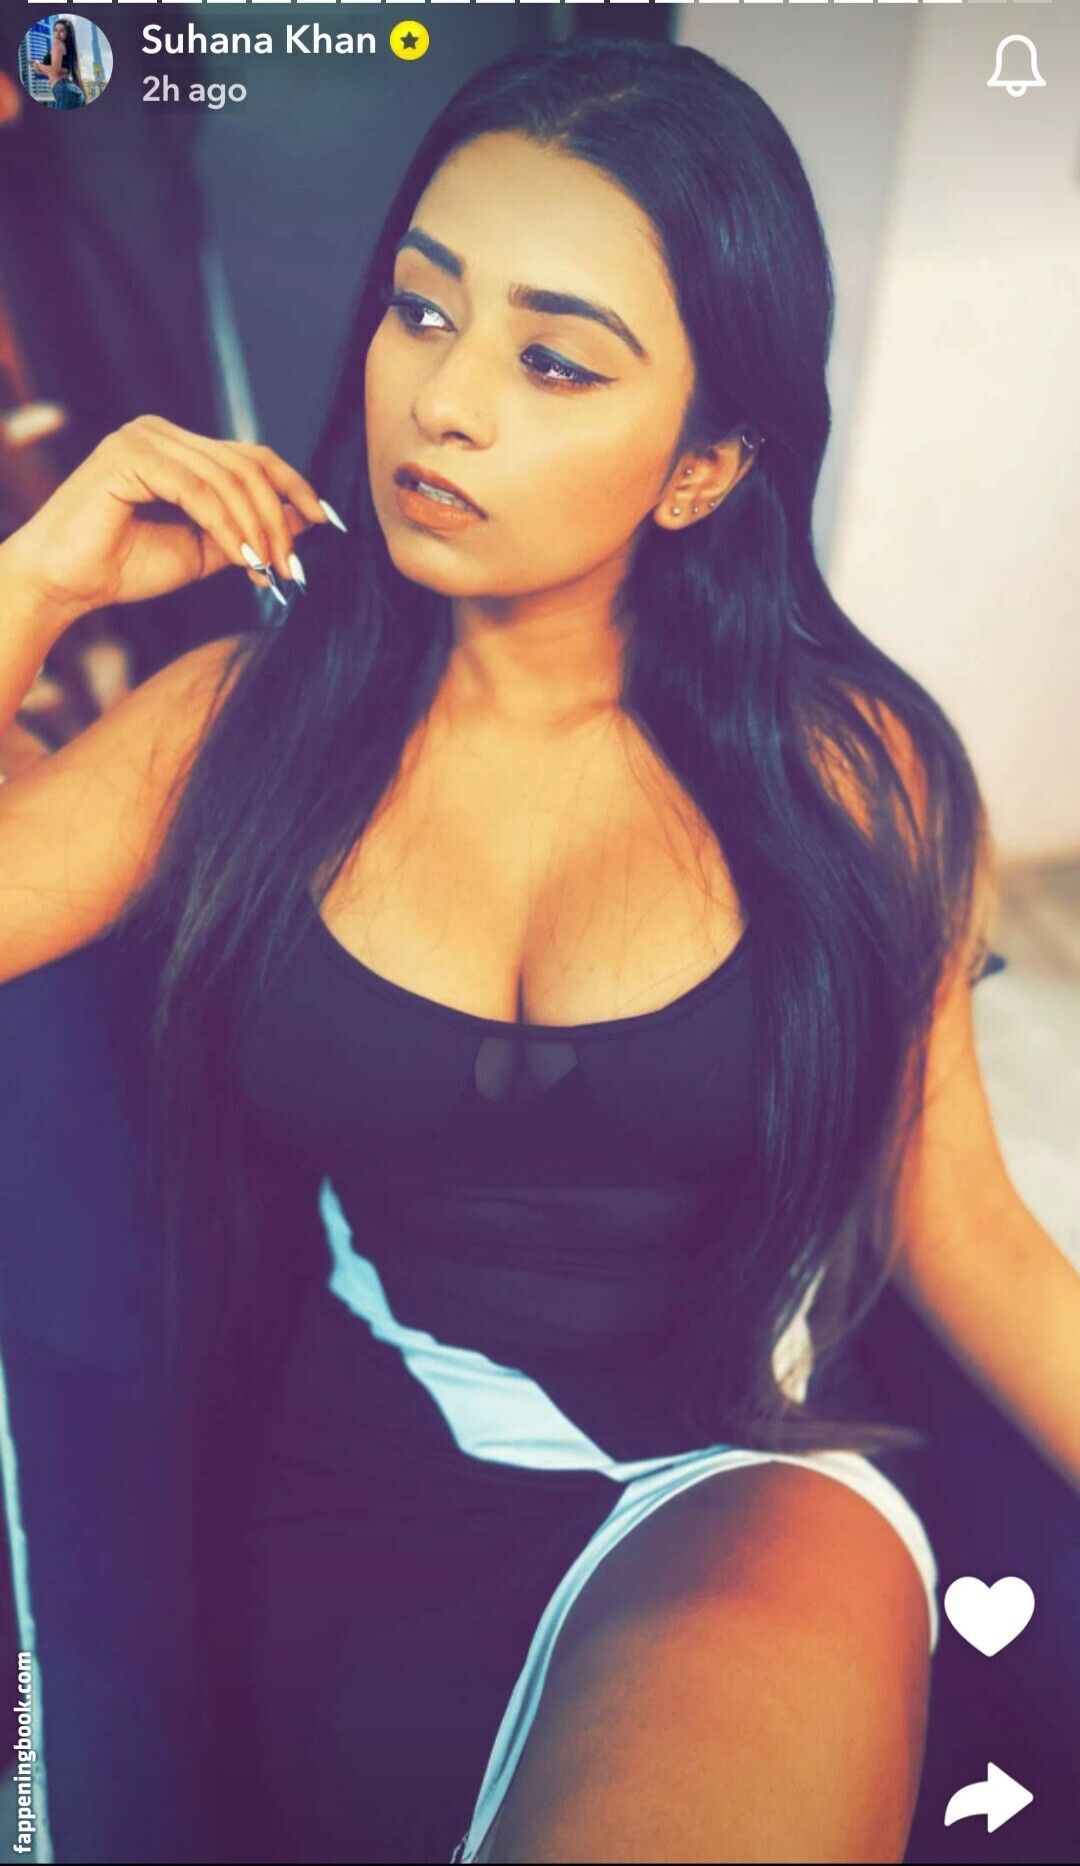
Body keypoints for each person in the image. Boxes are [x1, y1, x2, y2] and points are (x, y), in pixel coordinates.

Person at [0, 38, 1077, 1866]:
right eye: (424, 312)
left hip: (734, 1496)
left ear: (703, 465)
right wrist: (33, 580)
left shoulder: (847, 775)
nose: (445, 402)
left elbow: (964, 1230)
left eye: (555, 360)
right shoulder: (242, 724)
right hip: (348, 1520)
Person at [32, 18, 87, 111]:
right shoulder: (68, 48)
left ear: (68, 33)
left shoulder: (58, 44)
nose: (57, 33)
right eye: (55, 30)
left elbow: (55, 70)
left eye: (61, 31)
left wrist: (38, 65)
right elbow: (59, 71)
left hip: (64, 90)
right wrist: (40, 69)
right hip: (71, 91)